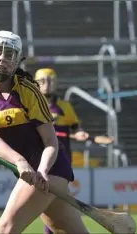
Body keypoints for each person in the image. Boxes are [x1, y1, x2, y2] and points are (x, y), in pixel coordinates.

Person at [0, 30, 89, 233]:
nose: (1, 59)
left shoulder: (28, 90)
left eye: (8, 54)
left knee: (5, 229)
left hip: (49, 171)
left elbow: (51, 141)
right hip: (28, 172)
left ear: (17, 60)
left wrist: (42, 170)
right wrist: (20, 162)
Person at [34, 68, 90, 234]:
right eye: (43, 81)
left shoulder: (64, 106)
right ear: (36, 84)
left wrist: (79, 133)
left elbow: (74, 128)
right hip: (40, 161)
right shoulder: (32, 105)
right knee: (52, 202)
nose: (47, 85)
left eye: (50, 80)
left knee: (55, 202)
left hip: (62, 162)